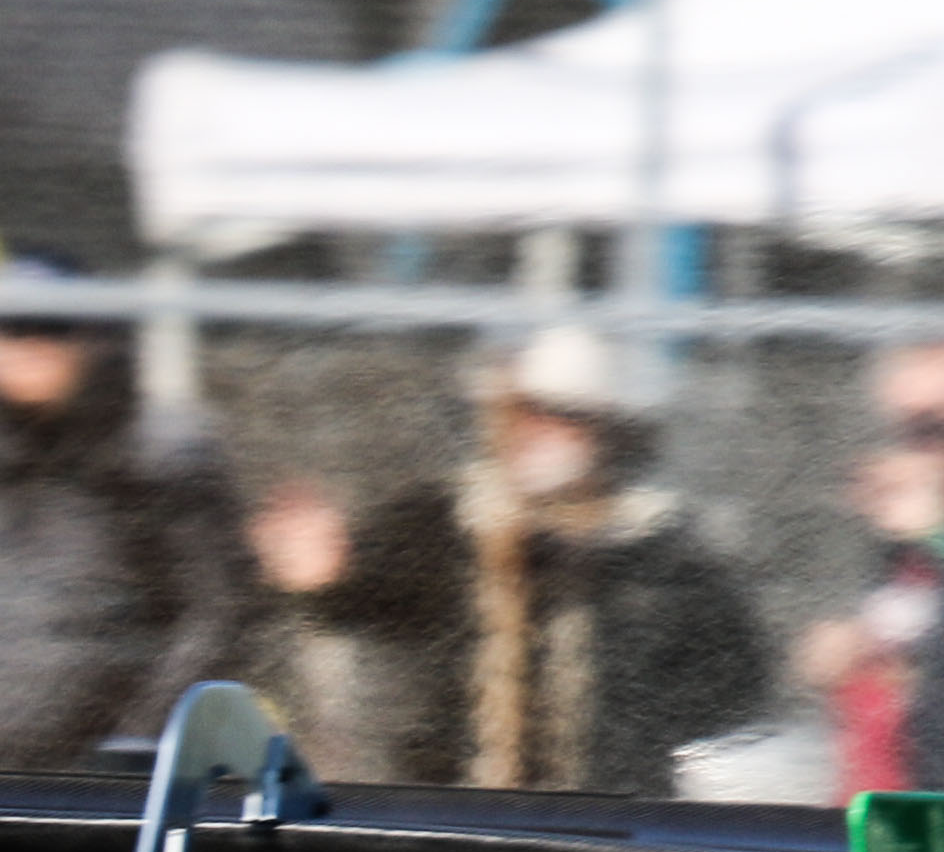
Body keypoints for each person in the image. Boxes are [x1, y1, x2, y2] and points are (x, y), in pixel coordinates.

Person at [248, 325, 773, 799]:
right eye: (525, 413)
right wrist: (322, 581)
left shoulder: (657, 551)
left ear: (611, 434)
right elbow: (366, 596)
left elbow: (734, 683)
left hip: (609, 828)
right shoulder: (448, 523)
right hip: (459, 819)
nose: (535, 433)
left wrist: (631, 728)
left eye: (562, 418)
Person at [0, 271, 259, 769]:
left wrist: (140, 742)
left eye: (49, 333)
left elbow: (217, 609)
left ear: (90, 340)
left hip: (110, 772)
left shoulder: (159, 452)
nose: (30, 350)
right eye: (12, 332)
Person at [791, 345, 944, 804]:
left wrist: (935, 532)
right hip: (894, 824)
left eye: (931, 429)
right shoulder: (900, 553)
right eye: (901, 431)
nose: (912, 451)